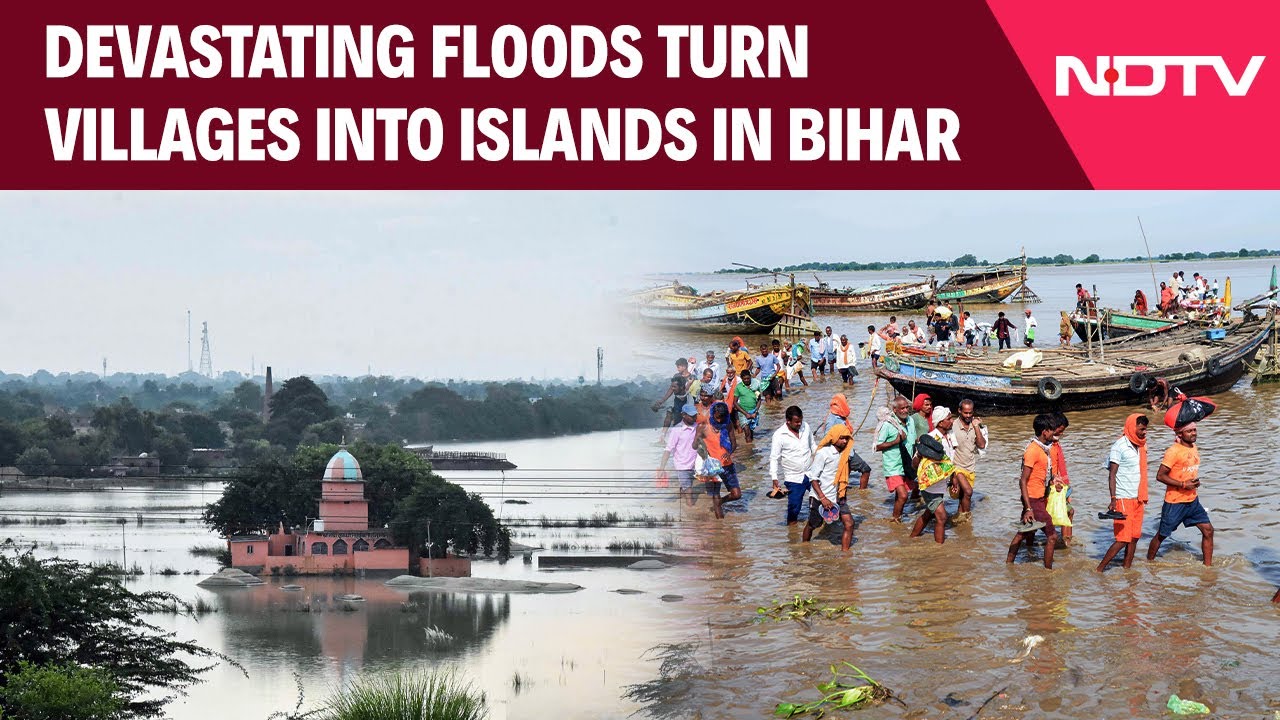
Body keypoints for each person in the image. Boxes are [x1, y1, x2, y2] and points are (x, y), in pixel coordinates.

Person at [1146, 421, 1213, 566]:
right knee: (1162, 535)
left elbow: (1187, 470)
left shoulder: (1194, 447)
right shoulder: (1173, 451)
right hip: (1175, 502)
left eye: (1195, 430)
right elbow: (1160, 476)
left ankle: (1208, 568)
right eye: (1189, 431)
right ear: (1180, 434)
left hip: (1192, 500)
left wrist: (1193, 483)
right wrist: (1183, 484)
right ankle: (1149, 564)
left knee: (1208, 531)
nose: (1193, 433)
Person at [1006, 413, 1060, 569]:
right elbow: (1023, 480)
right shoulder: (1033, 450)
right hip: (1033, 499)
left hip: (1036, 498)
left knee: (1024, 532)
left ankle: (1008, 565)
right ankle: (1048, 572)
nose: (1054, 434)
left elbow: (1038, 475)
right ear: (1044, 431)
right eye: (1052, 431)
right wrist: (1029, 508)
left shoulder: (1042, 449)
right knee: (1052, 536)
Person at [1097, 414, 1149, 572]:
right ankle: (1099, 569)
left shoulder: (1141, 446)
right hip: (1123, 497)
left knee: (1134, 537)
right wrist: (1113, 498)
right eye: (1141, 429)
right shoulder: (1119, 446)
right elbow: (1112, 474)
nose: (1144, 432)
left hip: (1138, 497)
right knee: (1123, 539)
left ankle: (1127, 570)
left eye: (1146, 429)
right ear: (1132, 427)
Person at [801, 425, 856, 551]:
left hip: (838, 496)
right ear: (834, 438)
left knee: (849, 523)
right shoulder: (823, 454)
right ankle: (804, 549)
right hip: (820, 497)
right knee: (813, 524)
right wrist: (823, 498)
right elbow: (813, 478)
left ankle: (845, 555)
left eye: (847, 438)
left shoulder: (845, 454)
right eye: (842, 438)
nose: (845, 441)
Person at [912, 432, 968, 544]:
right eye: (948, 419)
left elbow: (949, 465)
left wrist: (953, 480)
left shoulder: (941, 447)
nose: (951, 421)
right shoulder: (926, 447)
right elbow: (914, 466)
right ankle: (939, 548)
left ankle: (913, 537)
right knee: (942, 517)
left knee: (929, 514)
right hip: (929, 488)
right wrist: (919, 454)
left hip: (940, 486)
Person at [874, 396, 917, 522]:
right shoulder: (888, 425)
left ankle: (897, 518)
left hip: (906, 464)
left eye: (906, 408)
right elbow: (876, 446)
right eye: (902, 408)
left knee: (901, 495)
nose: (905, 410)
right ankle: (895, 518)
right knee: (903, 495)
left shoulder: (910, 421)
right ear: (894, 409)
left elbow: (913, 441)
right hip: (893, 465)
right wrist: (895, 441)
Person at [770, 405, 816, 525]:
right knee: (794, 508)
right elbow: (774, 458)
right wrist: (774, 477)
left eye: (800, 420)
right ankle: (792, 533)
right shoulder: (779, 435)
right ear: (788, 421)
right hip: (793, 477)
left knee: (821, 499)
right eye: (796, 422)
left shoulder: (806, 427)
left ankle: (816, 524)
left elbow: (813, 446)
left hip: (811, 472)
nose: (799, 424)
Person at [702, 401, 742, 518]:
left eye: (722, 418)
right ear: (713, 413)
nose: (719, 421)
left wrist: (729, 453)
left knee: (736, 494)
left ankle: (720, 503)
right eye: (717, 417)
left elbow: (734, 443)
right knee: (716, 494)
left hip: (727, 464)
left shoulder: (728, 423)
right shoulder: (705, 425)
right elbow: (696, 443)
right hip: (712, 465)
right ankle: (720, 525)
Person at [656, 403, 700, 506]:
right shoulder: (676, 430)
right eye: (691, 415)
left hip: (694, 464)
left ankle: (681, 503)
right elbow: (668, 449)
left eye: (695, 415)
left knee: (687, 486)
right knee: (689, 491)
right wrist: (662, 468)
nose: (694, 417)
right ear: (683, 415)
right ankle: (691, 511)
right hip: (682, 466)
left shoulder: (697, 427)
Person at [949, 399, 985, 519]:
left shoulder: (976, 425)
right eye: (965, 413)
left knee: (963, 496)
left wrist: (976, 427)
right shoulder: (952, 426)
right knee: (969, 492)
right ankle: (967, 518)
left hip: (970, 467)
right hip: (956, 467)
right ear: (959, 411)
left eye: (970, 413)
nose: (968, 416)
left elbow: (982, 445)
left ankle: (960, 520)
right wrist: (952, 474)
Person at [1049, 412, 1075, 543]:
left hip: (1058, 485)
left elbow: (1059, 467)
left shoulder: (1055, 445)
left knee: (1067, 513)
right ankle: (1066, 543)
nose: (1061, 434)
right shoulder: (1047, 446)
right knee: (1068, 513)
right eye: (1060, 431)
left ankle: (1066, 541)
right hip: (1051, 487)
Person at [651, 358, 693, 434]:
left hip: (686, 403)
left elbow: (690, 393)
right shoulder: (676, 376)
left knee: (680, 422)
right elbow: (671, 389)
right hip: (676, 401)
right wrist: (662, 400)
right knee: (669, 415)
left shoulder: (692, 378)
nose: (677, 369)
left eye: (678, 367)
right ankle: (662, 438)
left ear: (684, 366)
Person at [733, 369, 761, 441]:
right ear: (741, 379)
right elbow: (735, 402)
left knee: (751, 432)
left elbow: (759, 400)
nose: (746, 380)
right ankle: (748, 450)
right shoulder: (738, 387)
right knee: (747, 432)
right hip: (743, 412)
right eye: (744, 379)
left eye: (748, 378)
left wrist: (756, 411)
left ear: (750, 377)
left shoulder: (755, 385)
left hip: (753, 411)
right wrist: (745, 413)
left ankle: (751, 448)